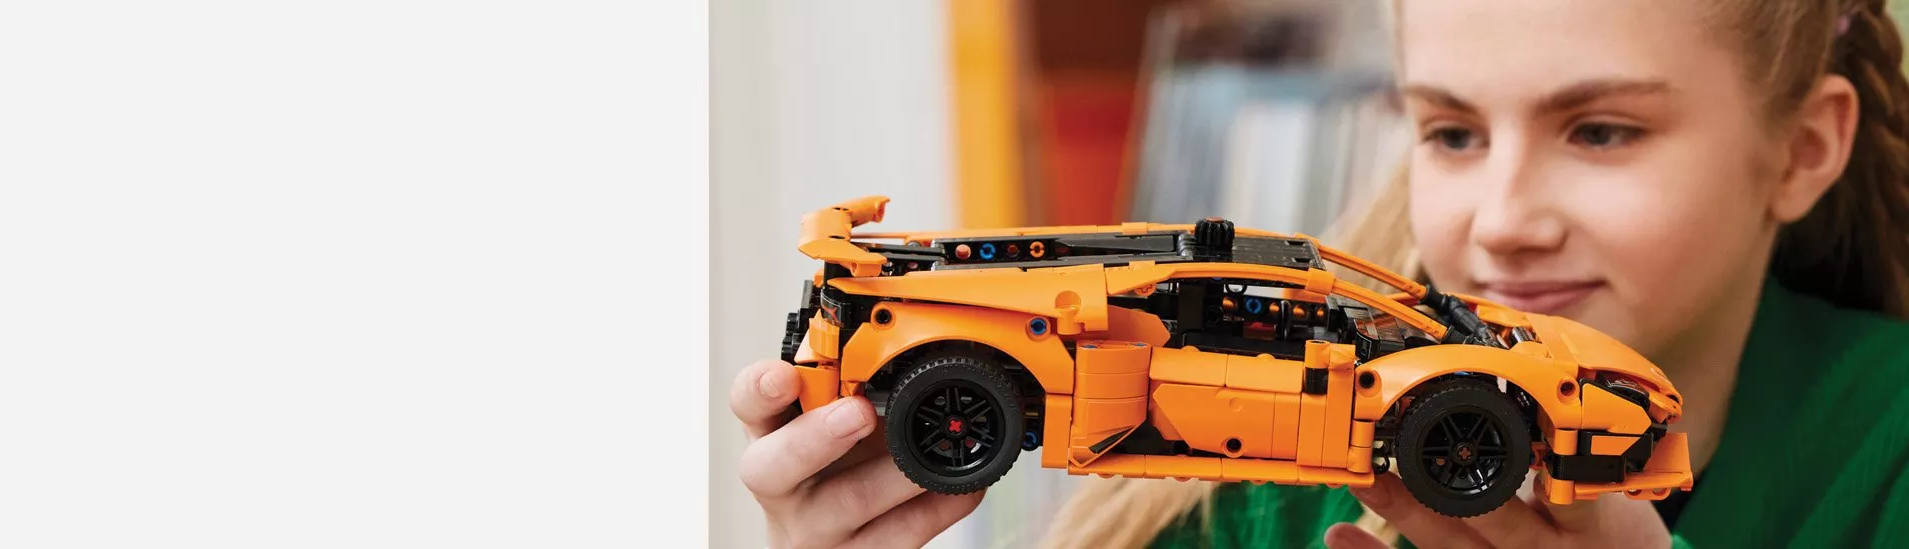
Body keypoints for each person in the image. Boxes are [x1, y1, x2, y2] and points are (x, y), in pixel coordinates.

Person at [727, 0, 1909, 547]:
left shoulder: (1882, 445)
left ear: (1802, 150)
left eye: (1601, 131)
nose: (1504, 223)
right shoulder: (1262, 500)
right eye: (1451, 132)